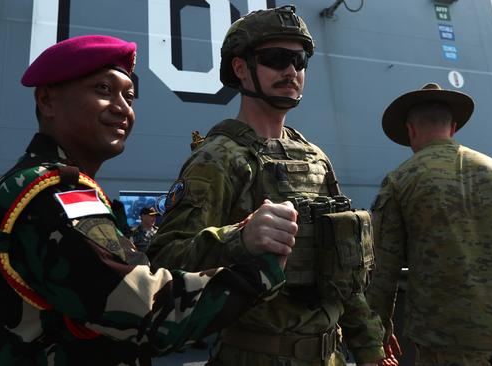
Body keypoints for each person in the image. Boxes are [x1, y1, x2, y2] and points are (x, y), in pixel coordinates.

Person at [0, 34, 297, 365]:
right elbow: (146, 312)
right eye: (103, 90)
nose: (123, 108)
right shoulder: (53, 192)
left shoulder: (34, 183)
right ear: (47, 101)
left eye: (130, 97)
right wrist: (262, 270)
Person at [148, 5, 384, 366]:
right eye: (275, 58)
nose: (291, 70)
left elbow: (341, 267)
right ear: (241, 68)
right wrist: (239, 239)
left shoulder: (316, 158)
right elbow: (163, 262)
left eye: (299, 60)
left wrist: (370, 349)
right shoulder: (219, 159)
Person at [366, 82, 492, 366]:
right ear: (453, 127)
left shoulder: (401, 181)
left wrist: (375, 337)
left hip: (447, 342)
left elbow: (382, 271)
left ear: (411, 130)